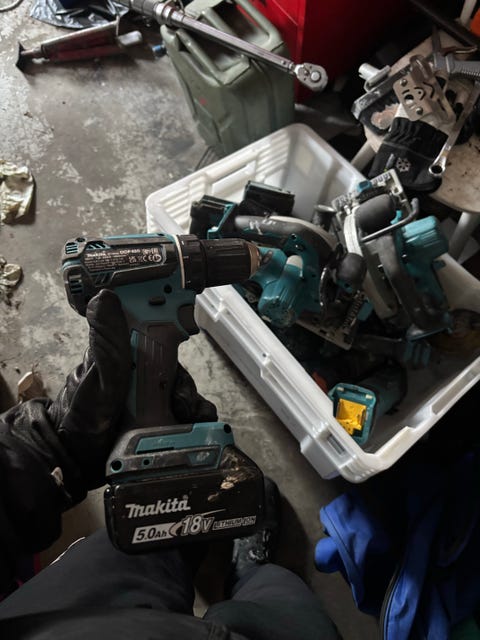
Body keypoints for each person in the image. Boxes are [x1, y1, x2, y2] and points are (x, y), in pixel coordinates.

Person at [0, 290, 340, 639]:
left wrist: (48, 447)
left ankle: (210, 543)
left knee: (147, 541)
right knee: (280, 607)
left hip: (62, 614)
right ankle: (256, 574)